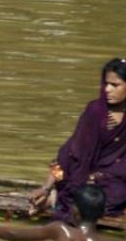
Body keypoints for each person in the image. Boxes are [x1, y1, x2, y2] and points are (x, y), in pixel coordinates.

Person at [28, 58, 126, 222]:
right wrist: (46, 187)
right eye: (106, 84)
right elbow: (70, 154)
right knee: (93, 200)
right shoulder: (95, 112)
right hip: (87, 178)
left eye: (115, 85)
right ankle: (54, 197)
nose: (107, 89)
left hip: (117, 177)